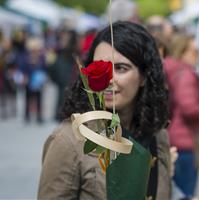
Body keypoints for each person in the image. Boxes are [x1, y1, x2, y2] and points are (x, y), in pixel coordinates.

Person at [38, 21, 171, 199]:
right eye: (100, 67)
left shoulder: (157, 135)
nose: (108, 78)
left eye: (121, 68)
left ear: (144, 76)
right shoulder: (68, 140)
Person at [164, 34, 199, 198]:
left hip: (177, 137)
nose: (198, 56)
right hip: (185, 140)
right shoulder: (186, 74)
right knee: (187, 193)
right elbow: (189, 108)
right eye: (194, 52)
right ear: (182, 52)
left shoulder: (173, 71)